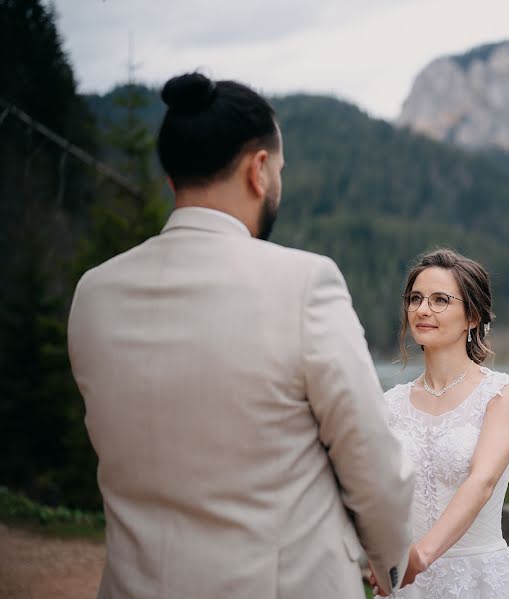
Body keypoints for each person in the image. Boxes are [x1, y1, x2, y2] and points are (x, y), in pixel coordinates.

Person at [67, 72, 414, 598]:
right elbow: (371, 462)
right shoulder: (304, 283)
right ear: (258, 171)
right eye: (279, 169)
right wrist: (390, 564)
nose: (278, 182)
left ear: (172, 182)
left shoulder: (94, 294)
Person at [371, 249, 509, 597]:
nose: (422, 310)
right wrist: (382, 562)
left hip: (482, 582)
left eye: (440, 300)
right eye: (415, 298)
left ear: (473, 317)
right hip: (407, 584)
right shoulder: (389, 404)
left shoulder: (503, 393)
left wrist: (421, 557)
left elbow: (482, 481)